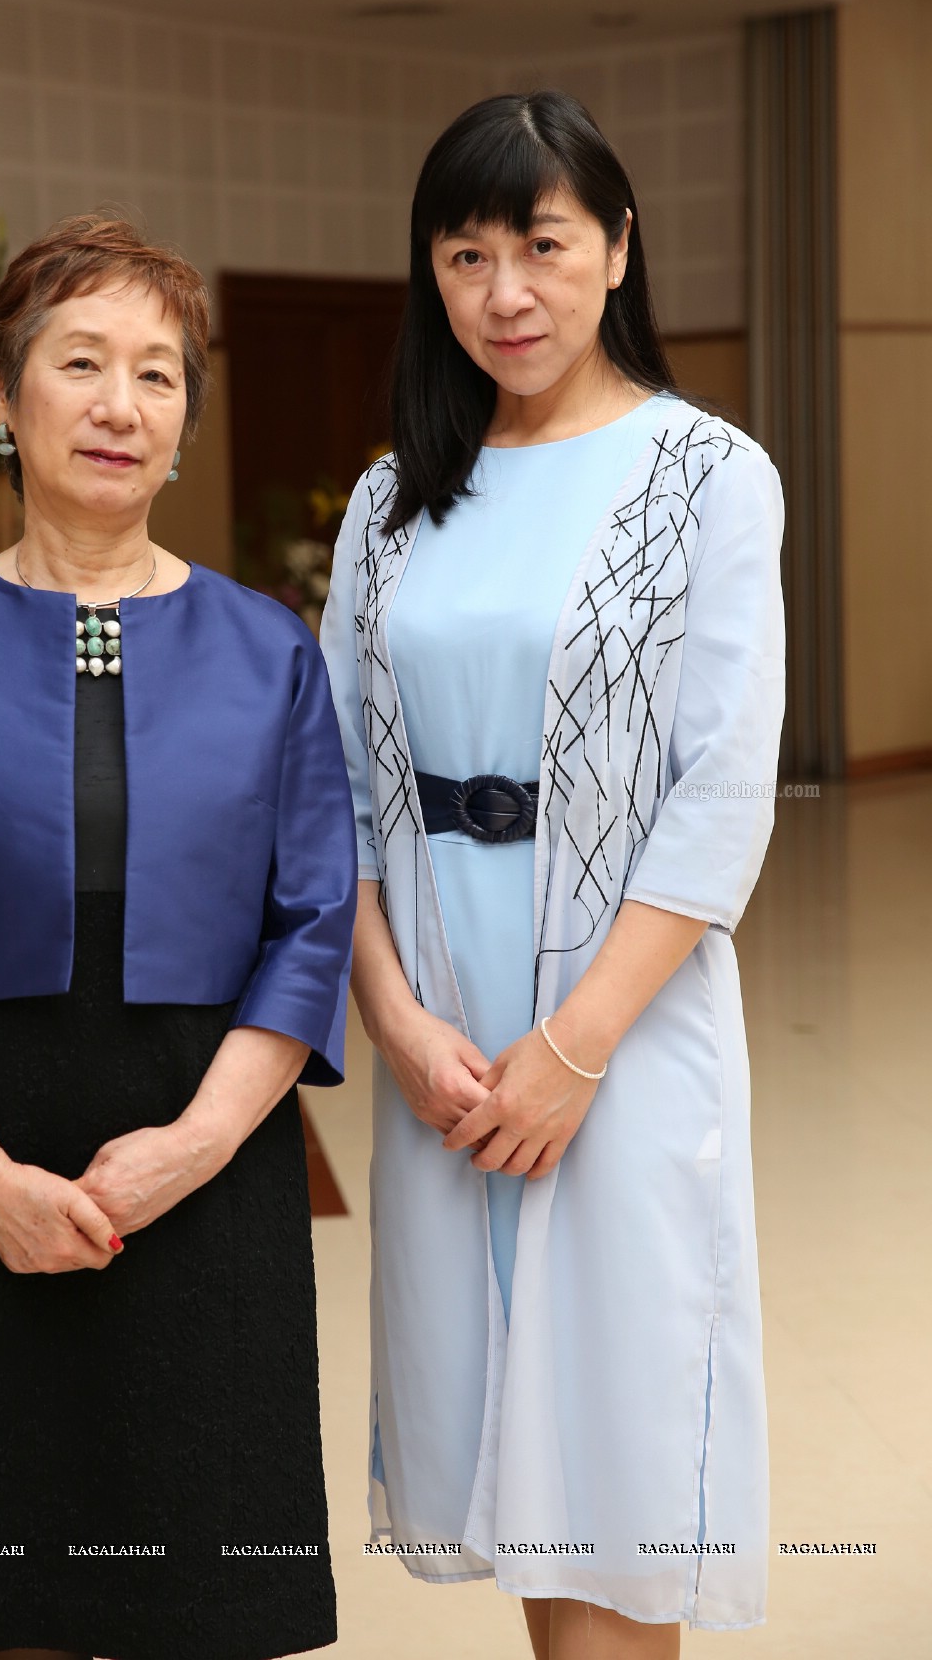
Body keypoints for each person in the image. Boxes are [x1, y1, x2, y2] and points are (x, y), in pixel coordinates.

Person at [0, 213, 357, 1660]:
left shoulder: (272, 651)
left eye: (161, 374)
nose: (123, 405)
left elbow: (311, 930)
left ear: (186, 418)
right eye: (83, 363)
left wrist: (191, 1147)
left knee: (205, 1606)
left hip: (214, 1167)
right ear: (2, 393)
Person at [319, 93, 785, 1657]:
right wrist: (390, 1020)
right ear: (431, 277)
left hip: (618, 1023)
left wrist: (576, 1051)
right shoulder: (388, 501)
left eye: (542, 243)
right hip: (441, 1029)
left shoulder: (707, 474)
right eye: (466, 253)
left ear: (618, 248)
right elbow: (343, 795)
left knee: (614, 1436)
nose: (506, 290)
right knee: (506, 1448)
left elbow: (719, 798)